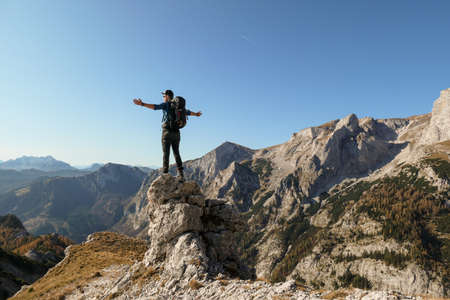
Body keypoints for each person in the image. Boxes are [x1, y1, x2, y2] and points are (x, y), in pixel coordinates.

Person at [133, 90, 202, 181]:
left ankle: (165, 174)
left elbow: (155, 107)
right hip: (177, 133)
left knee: (166, 153)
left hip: (167, 132)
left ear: (167, 96)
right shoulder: (179, 107)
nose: (163, 98)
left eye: (164, 96)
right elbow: (188, 112)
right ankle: (181, 175)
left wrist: (142, 104)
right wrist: (196, 114)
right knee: (176, 153)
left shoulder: (166, 105)